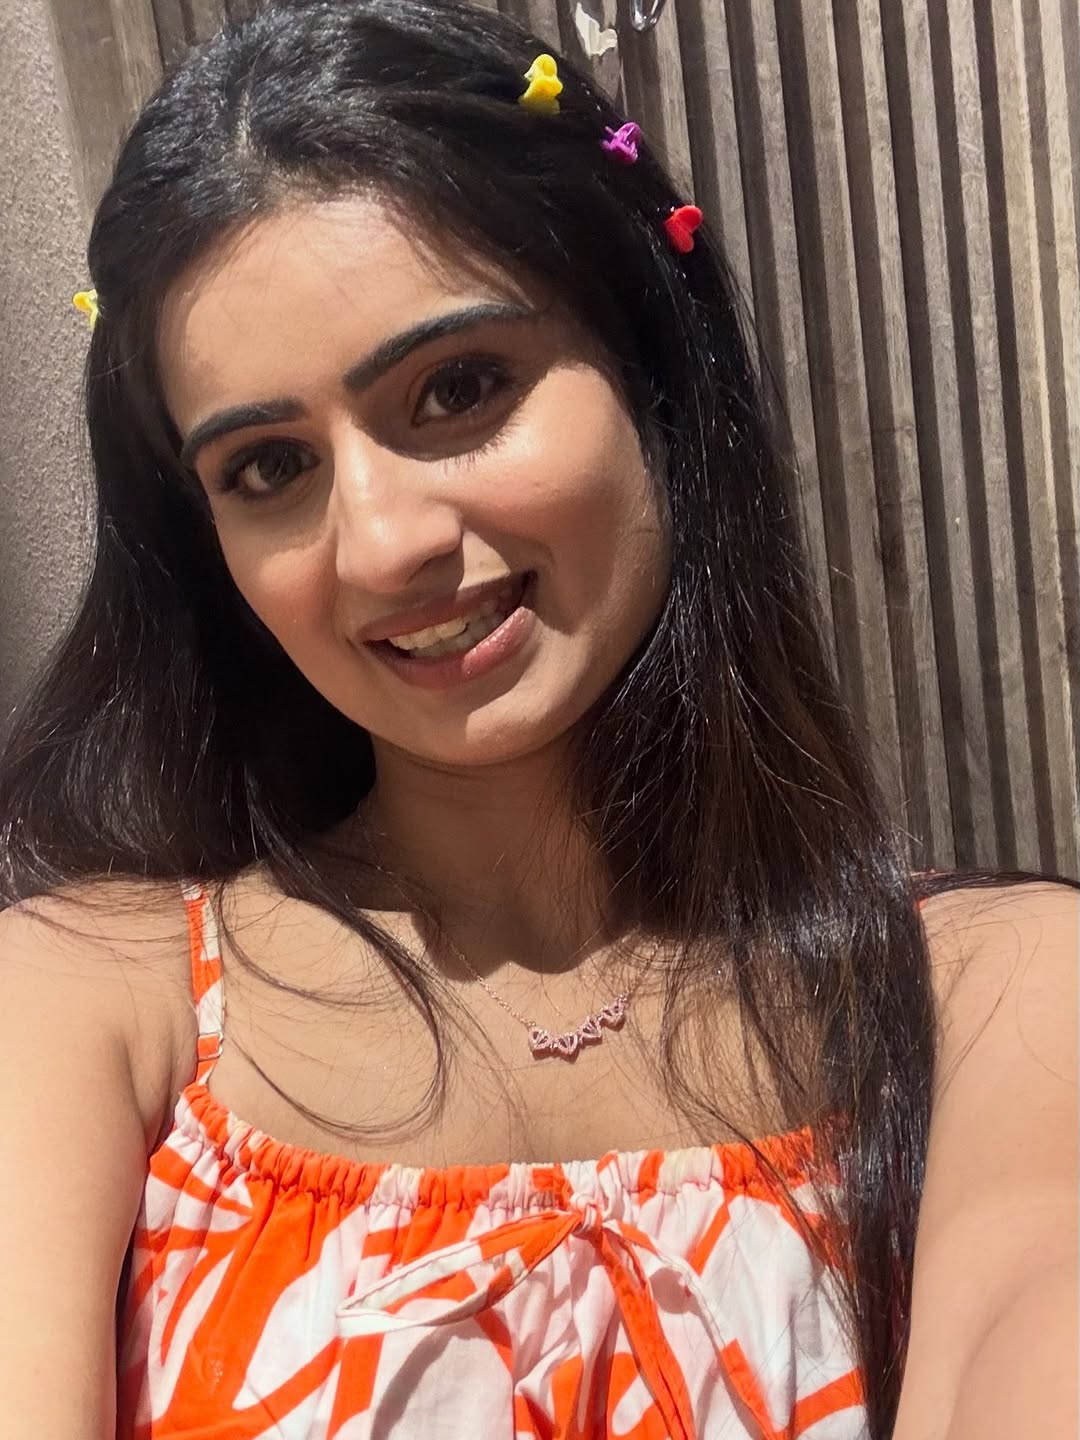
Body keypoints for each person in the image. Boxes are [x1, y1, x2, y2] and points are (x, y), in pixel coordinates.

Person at [0, 3, 1075, 1436]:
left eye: (458, 388)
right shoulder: (86, 1006)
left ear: (651, 374)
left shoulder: (995, 996)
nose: (382, 543)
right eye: (268, 467)